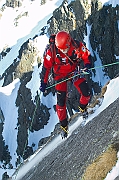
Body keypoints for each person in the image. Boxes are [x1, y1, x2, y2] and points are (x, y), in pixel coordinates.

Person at [40, 31, 91, 138]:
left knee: (86, 92)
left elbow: (86, 55)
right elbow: (46, 68)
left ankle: (83, 108)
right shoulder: (52, 51)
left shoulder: (77, 45)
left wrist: (87, 65)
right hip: (60, 77)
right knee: (61, 102)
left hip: (74, 72)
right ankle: (64, 126)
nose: (62, 51)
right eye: (60, 49)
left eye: (64, 48)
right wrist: (43, 83)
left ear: (69, 43)